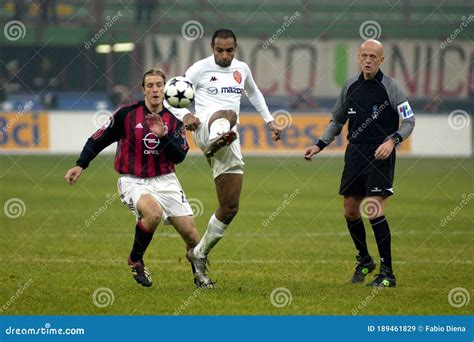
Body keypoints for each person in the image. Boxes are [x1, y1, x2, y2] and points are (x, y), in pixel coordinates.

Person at [64, 69, 206, 288]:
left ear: (165, 89)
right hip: (133, 180)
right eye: (150, 85)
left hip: (166, 180)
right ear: (143, 89)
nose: (155, 89)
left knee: (193, 238)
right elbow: (97, 140)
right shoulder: (127, 114)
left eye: (159, 85)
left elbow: (179, 157)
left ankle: (201, 279)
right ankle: (136, 259)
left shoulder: (174, 118)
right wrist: (81, 164)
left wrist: (163, 136)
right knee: (153, 213)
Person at [175, 29, 282, 288]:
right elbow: (172, 96)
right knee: (227, 113)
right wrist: (185, 116)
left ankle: (198, 253)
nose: (224, 55)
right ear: (212, 47)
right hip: (202, 127)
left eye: (229, 50)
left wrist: (269, 121)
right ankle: (214, 140)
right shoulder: (198, 69)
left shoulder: (242, 69)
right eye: (220, 50)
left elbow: (254, 93)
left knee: (230, 207)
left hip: (228, 140)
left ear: (235, 48)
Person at [304, 39, 415, 287]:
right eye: (364, 55)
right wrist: (319, 144)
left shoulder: (392, 87)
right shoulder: (350, 86)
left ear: (381, 60)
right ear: (358, 57)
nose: (367, 60)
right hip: (355, 154)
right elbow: (337, 120)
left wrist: (393, 141)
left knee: (374, 209)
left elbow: (409, 122)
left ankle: (388, 273)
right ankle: (365, 260)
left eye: (373, 56)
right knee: (350, 211)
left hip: (380, 155)